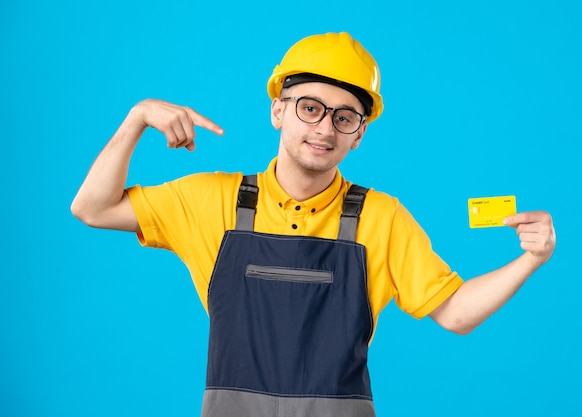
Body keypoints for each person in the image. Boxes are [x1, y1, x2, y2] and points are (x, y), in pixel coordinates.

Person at [71, 32, 556, 417]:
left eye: (345, 117)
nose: (325, 127)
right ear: (278, 110)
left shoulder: (380, 217)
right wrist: (136, 118)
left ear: (359, 134)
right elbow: (92, 208)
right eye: (310, 107)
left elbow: (455, 313)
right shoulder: (210, 200)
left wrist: (531, 259)